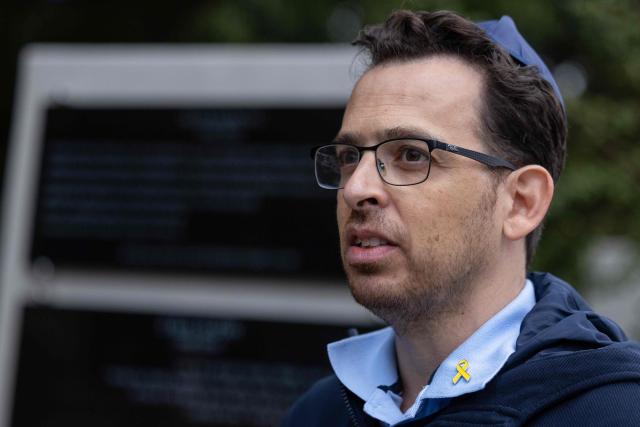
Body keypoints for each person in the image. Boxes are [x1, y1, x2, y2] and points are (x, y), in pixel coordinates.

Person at [282, 9, 640, 427]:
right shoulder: (319, 412)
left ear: (521, 202)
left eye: (411, 155)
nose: (357, 189)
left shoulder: (611, 412)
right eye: (348, 157)